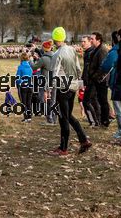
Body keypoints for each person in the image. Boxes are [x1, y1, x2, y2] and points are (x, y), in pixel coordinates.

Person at [49, 27, 91, 156]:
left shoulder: (57, 54)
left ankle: (65, 147)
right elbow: (78, 68)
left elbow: (53, 72)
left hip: (63, 87)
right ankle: (80, 140)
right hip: (73, 86)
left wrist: (49, 88)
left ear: (55, 39)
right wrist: (80, 84)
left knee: (64, 117)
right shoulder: (72, 50)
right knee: (68, 115)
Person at [100, 31, 121, 139]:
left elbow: (105, 66)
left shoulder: (114, 52)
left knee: (119, 109)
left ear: (113, 41)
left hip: (117, 82)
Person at [30, 40, 56, 125]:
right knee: (53, 101)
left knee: (43, 100)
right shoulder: (55, 56)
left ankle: (49, 119)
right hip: (54, 81)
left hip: (45, 82)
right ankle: (54, 119)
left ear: (44, 48)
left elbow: (34, 67)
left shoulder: (43, 59)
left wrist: (30, 59)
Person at [88, 32, 110, 127]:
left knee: (103, 100)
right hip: (96, 79)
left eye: (92, 39)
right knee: (98, 100)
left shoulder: (102, 50)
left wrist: (95, 76)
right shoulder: (96, 49)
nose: (90, 40)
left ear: (98, 40)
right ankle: (101, 119)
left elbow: (102, 66)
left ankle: (105, 121)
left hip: (101, 80)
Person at [80, 35, 100, 127]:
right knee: (93, 100)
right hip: (89, 80)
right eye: (82, 41)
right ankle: (97, 120)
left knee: (86, 101)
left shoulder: (91, 52)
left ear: (89, 42)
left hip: (91, 80)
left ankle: (94, 121)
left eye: (84, 41)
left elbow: (89, 69)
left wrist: (85, 80)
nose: (82, 43)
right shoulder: (87, 52)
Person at [15, 52, 33, 122]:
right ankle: (29, 117)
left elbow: (18, 78)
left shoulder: (20, 67)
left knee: (23, 102)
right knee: (28, 102)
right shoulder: (30, 67)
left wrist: (18, 84)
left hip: (23, 86)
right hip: (30, 86)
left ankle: (26, 117)